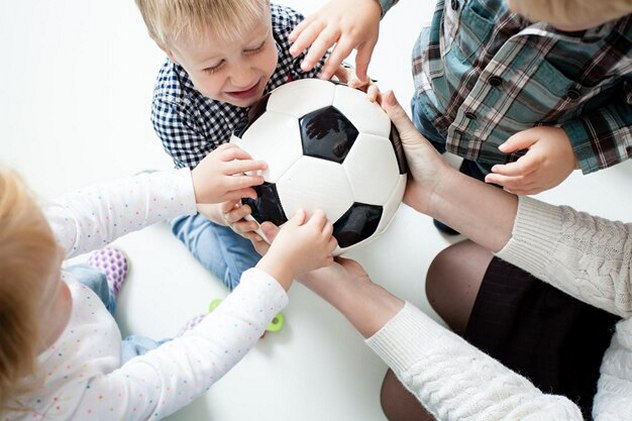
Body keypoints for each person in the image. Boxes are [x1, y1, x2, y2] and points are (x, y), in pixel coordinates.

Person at [288, 89, 631, 420]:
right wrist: (440, 190)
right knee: (452, 271)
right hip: (619, 345)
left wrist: (353, 294)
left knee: (399, 398)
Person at [0, 143, 337, 419]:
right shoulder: (70, 407)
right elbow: (189, 365)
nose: (64, 281)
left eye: (57, 261)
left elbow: (97, 210)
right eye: (51, 290)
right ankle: (162, 339)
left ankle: (102, 292)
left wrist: (190, 186)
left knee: (85, 280)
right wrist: (280, 267)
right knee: (149, 357)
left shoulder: (14, 239)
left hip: (79, 321)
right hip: (110, 374)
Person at [289, 0, 632, 235]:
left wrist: (574, 146)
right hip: (438, 95)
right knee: (407, 148)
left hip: (509, 150)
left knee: (469, 202)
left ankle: (457, 210)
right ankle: (400, 172)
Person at [134, 0, 368, 290]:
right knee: (249, 280)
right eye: (213, 66)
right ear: (170, 52)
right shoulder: (175, 111)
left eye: (255, 47)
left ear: (267, 10)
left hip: (301, 167)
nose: (244, 76)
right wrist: (224, 213)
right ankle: (178, 214)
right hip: (233, 196)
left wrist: (357, 92)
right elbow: (203, 195)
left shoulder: (290, 32)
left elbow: (333, 88)